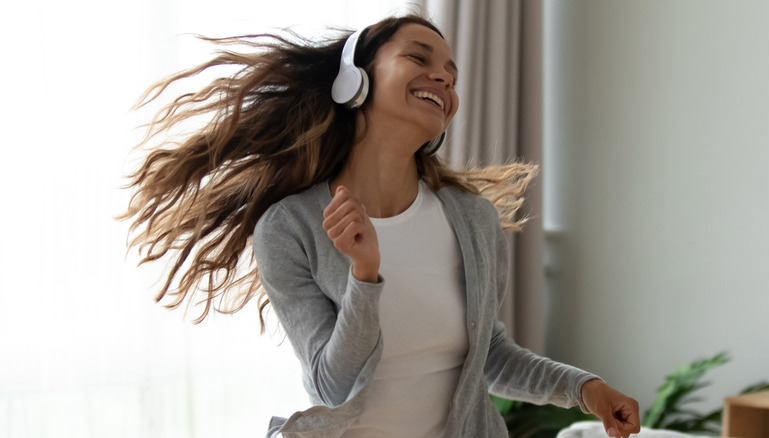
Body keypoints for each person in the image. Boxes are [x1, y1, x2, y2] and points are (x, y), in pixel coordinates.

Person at [123, 13, 641, 438]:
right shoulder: (290, 226)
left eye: (452, 76)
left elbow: (491, 355)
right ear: (355, 81)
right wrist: (364, 276)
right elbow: (332, 386)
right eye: (418, 57)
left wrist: (587, 390)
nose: (443, 78)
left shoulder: (471, 218)